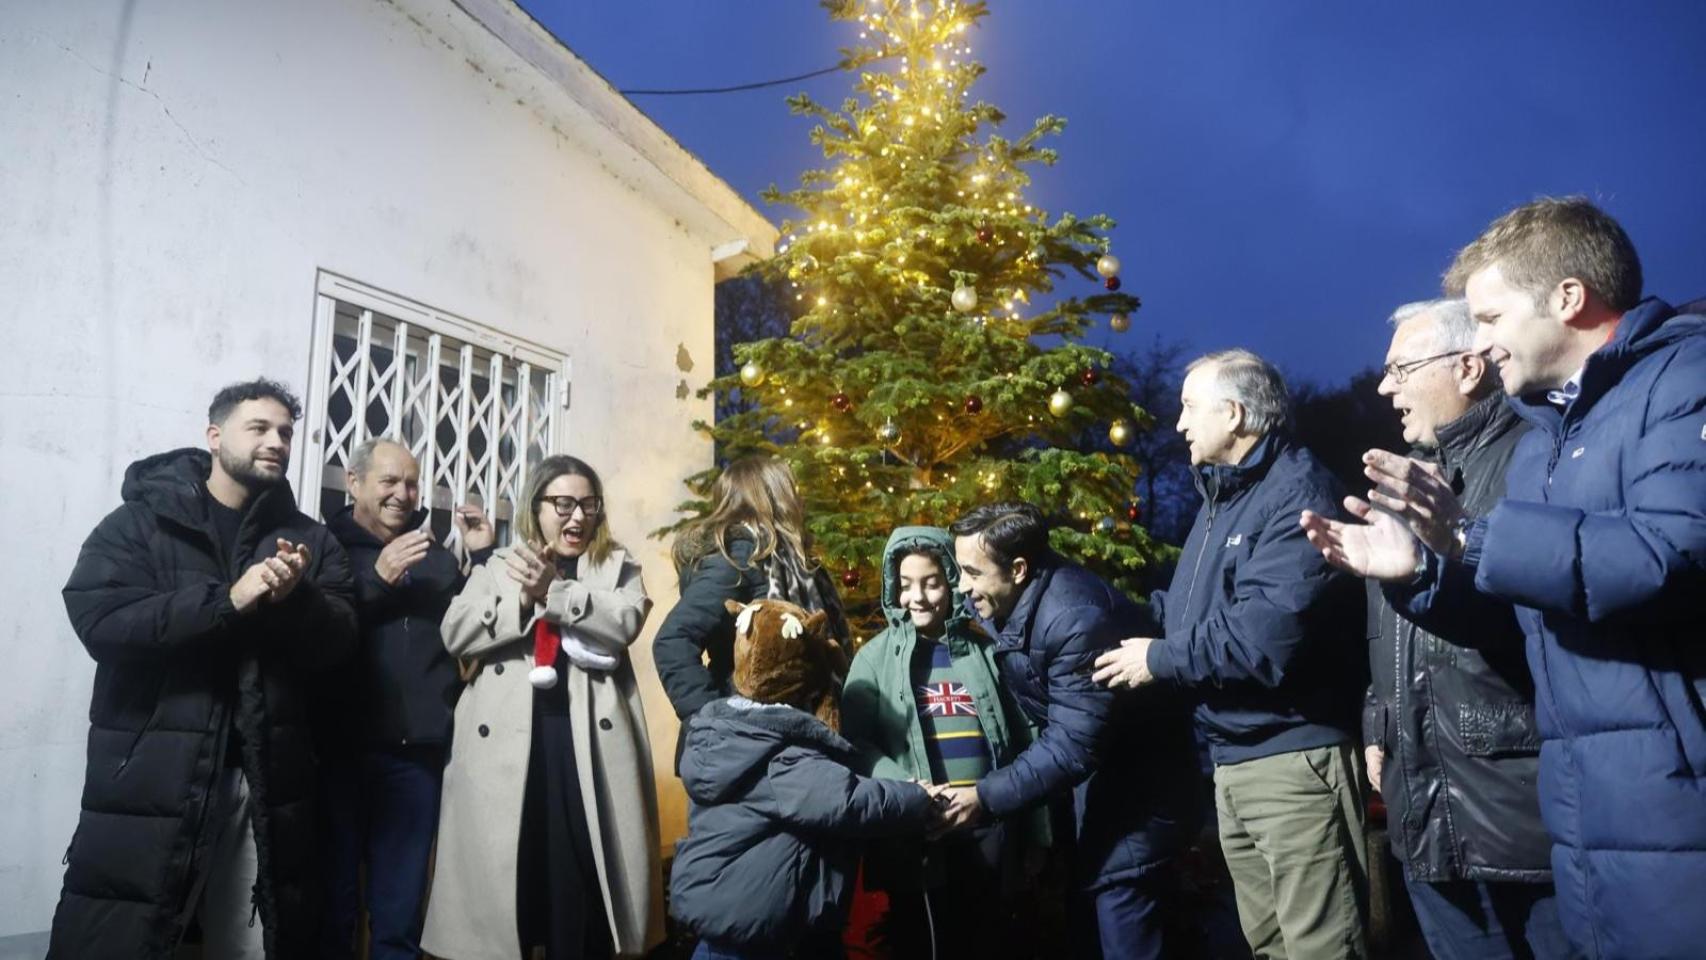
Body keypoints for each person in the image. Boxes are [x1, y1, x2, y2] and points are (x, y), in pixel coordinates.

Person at [1301, 197, 1706, 958]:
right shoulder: (1548, 438)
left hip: (1672, 806)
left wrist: (1467, 536)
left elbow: (1670, 556)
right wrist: (1419, 575)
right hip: (1592, 811)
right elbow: (1527, 610)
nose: (1483, 343)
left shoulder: (1688, 378)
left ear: (1569, 297)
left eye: (1490, 318)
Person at [50, 378, 358, 959]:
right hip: (153, 780)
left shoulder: (310, 541)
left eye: (285, 432)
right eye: (258, 428)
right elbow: (101, 620)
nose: (276, 442)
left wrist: (297, 600)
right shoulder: (141, 523)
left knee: (254, 946)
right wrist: (227, 600)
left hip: (266, 784)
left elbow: (339, 645)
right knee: (124, 938)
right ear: (215, 436)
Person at [1092, 349, 1370, 960]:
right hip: (1235, 758)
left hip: (1293, 761)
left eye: (1190, 407)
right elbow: (1192, 614)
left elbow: (1264, 640)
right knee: (1269, 946)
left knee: (1321, 949)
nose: (1179, 424)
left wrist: (1158, 659)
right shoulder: (1225, 499)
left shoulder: (1298, 497)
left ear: (1235, 414)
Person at [1361, 299, 1568, 959]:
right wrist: (1377, 722)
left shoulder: (1535, 456)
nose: (1384, 387)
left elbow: (1541, 611)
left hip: (1517, 804)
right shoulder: (1405, 476)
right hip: (1424, 802)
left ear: (1468, 368)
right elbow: (1388, 628)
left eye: (1401, 369)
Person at [421, 455, 662, 960]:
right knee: (513, 875)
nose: (578, 517)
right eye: (564, 504)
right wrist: (522, 602)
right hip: (507, 749)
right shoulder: (499, 566)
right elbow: (455, 632)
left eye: (588, 505)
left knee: (579, 884)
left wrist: (554, 592)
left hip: (585, 747)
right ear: (537, 508)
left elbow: (625, 621)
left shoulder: (617, 565)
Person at [938, 503, 1202, 959]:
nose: (962, 586)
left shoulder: (1074, 619)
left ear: (1018, 569)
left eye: (973, 573)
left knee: (1123, 929)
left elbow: (1073, 744)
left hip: (1138, 803)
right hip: (1103, 799)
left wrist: (984, 796)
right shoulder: (1011, 602)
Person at [670, 597, 938, 960]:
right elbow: (847, 800)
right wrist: (916, 796)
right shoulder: (781, 753)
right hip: (759, 926)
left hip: (726, 914)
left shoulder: (725, 730)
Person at [317, 437, 495, 960]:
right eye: (389, 481)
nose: (403, 493)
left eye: (412, 484)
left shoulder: (435, 559)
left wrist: (482, 555)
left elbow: (475, 626)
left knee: (399, 914)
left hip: (416, 756)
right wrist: (376, 580)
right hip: (336, 754)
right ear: (354, 484)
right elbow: (312, 631)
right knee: (331, 908)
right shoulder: (324, 548)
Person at [840, 526, 1045, 958]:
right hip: (914, 833)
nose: (918, 597)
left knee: (985, 938)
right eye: (906, 584)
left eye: (931, 583)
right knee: (919, 939)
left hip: (987, 826)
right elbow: (856, 742)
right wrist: (909, 789)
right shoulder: (873, 659)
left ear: (952, 581)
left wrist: (1036, 835)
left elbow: (1026, 736)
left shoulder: (988, 652)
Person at [653, 455, 848, 764]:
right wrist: (714, 722)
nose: (800, 498)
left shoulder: (787, 560)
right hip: (746, 747)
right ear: (776, 496)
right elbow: (672, 641)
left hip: (780, 742)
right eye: (792, 489)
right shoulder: (740, 558)